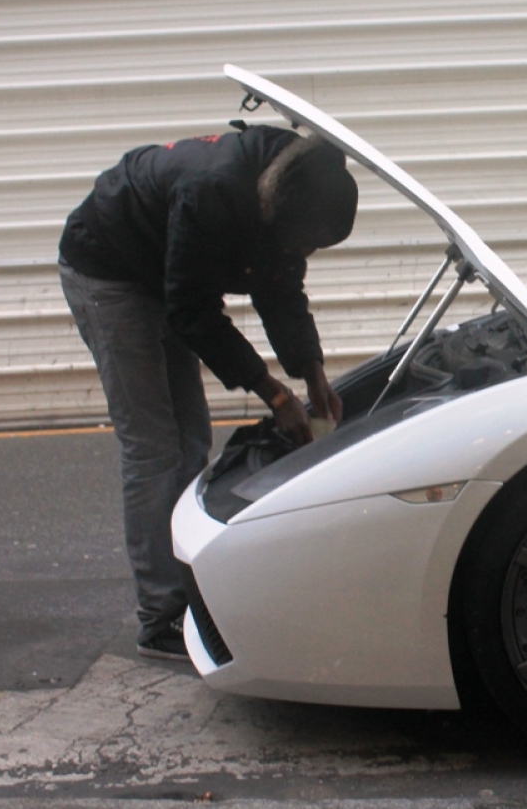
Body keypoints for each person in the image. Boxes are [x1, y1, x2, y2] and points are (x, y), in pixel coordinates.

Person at [57, 125, 357, 660]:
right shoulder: (214, 193)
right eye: (303, 241)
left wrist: (312, 375)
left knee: (192, 439)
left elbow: (281, 287)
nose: (304, 250)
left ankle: (188, 587)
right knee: (153, 447)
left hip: (165, 272)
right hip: (110, 266)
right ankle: (160, 615)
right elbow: (192, 310)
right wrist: (274, 395)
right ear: (277, 210)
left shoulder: (297, 183)